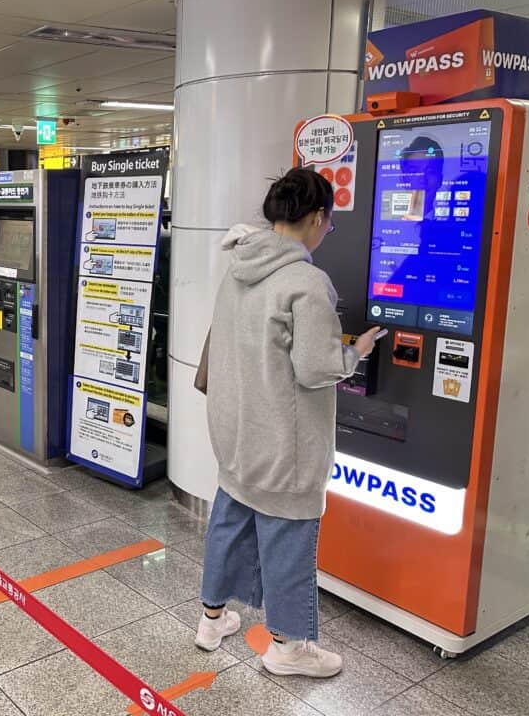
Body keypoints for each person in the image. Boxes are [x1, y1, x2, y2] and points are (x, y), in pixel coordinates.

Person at [194, 168, 380, 678]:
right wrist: (356, 352)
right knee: (288, 539)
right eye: (329, 224)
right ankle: (288, 648)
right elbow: (316, 368)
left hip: (235, 430)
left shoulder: (238, 267)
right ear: (318, 217)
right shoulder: (306, 281)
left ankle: (212, 621)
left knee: (229, 521)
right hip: (282, 439)